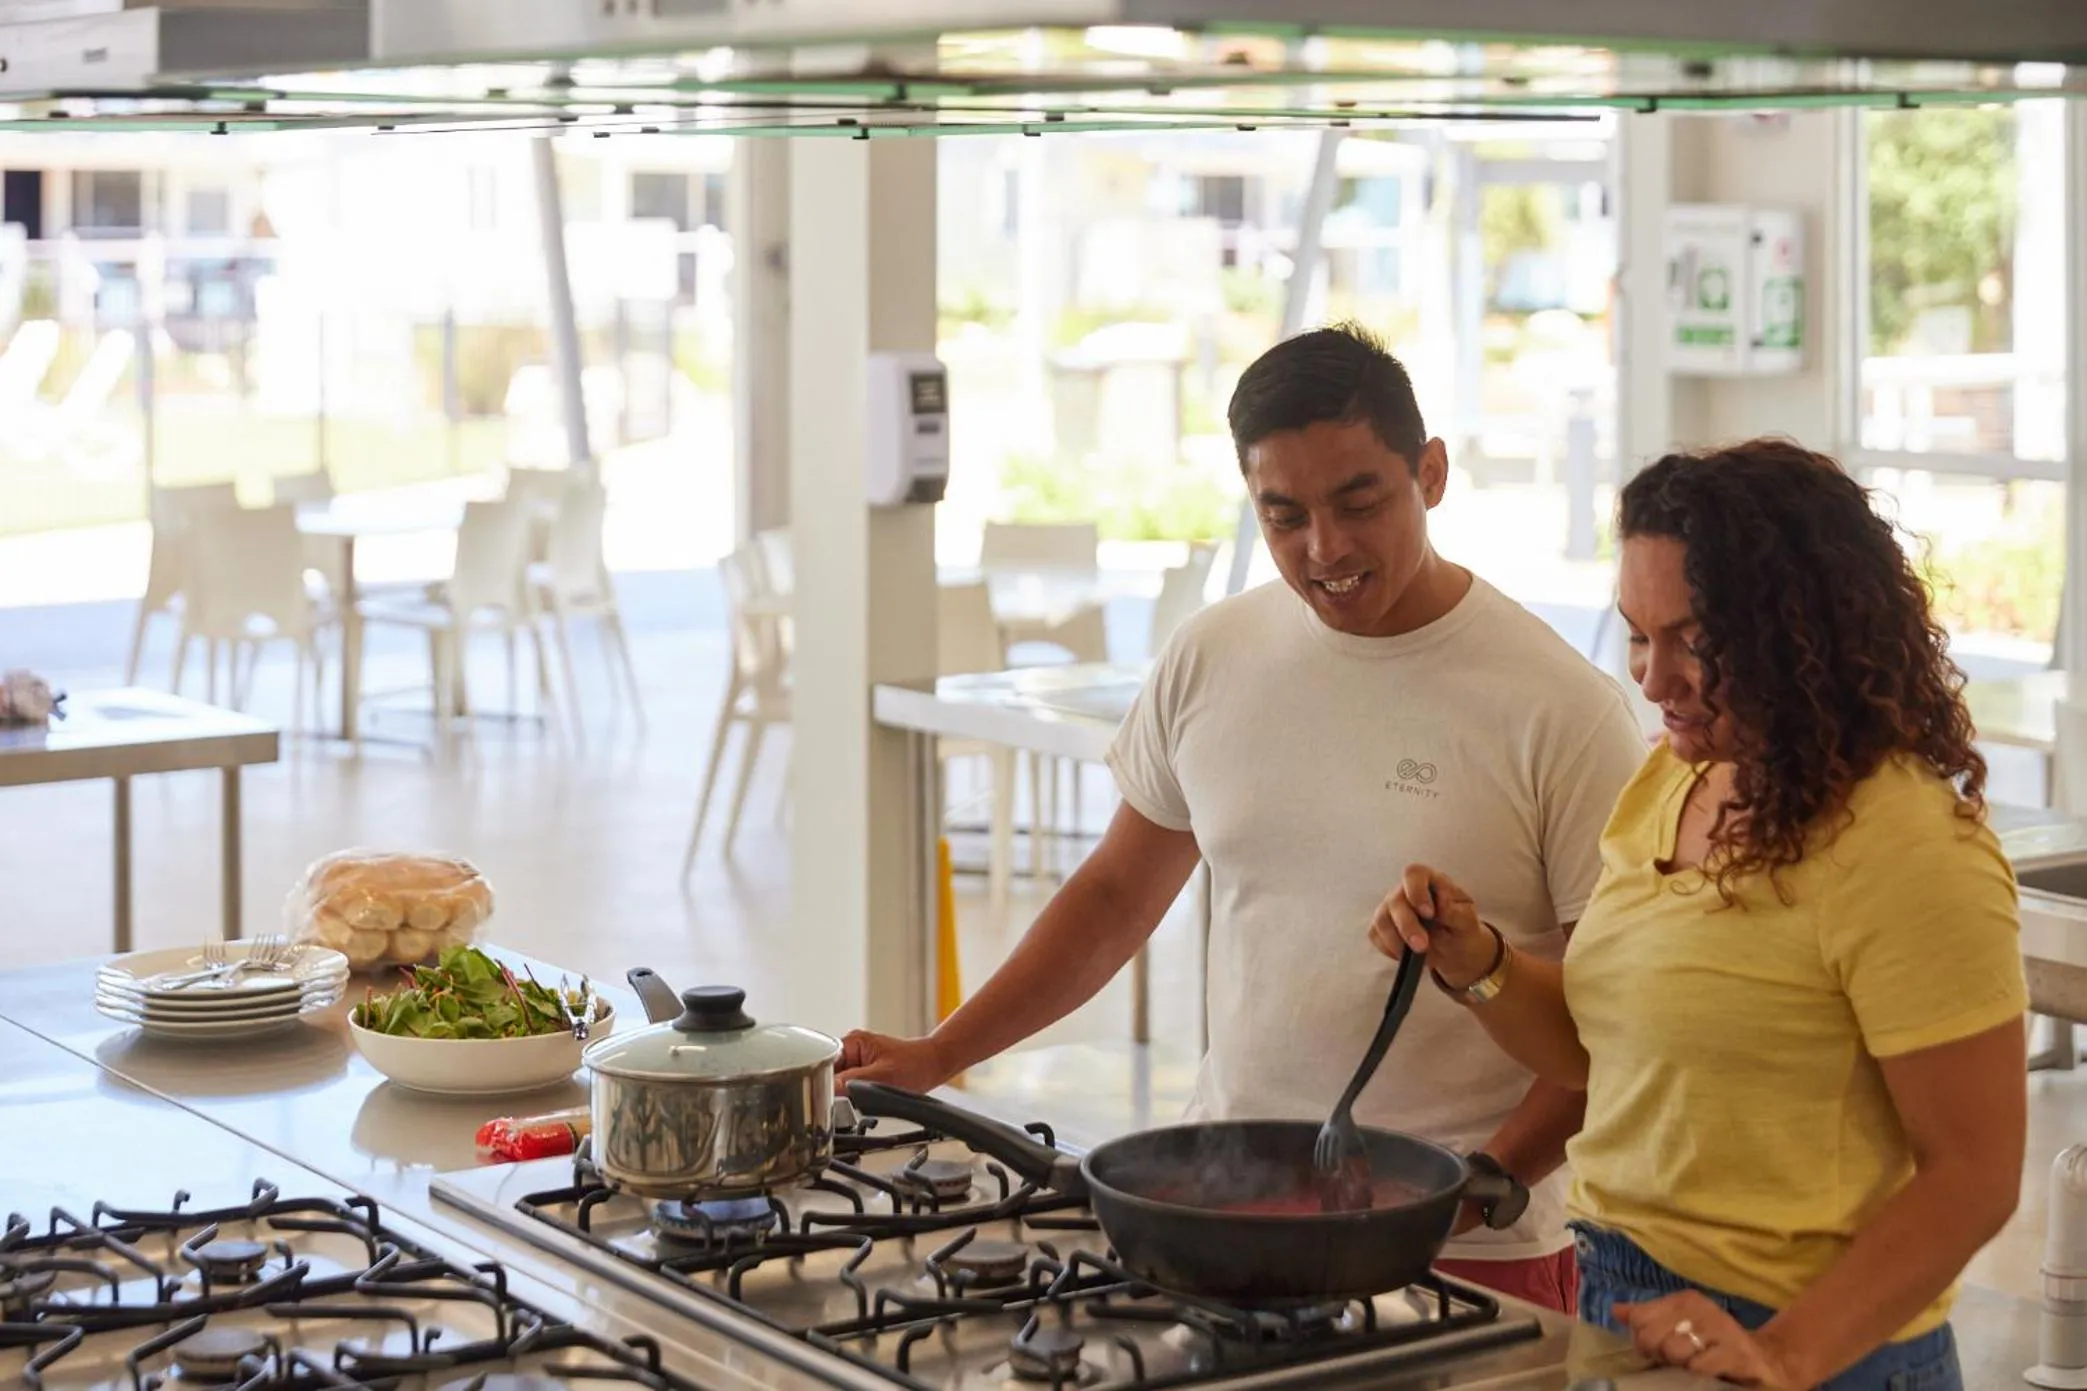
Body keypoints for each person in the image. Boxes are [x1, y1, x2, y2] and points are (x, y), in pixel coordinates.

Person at [840, 323, 1650, 1310]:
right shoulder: (1212, 655)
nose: (1325, 548)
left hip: (1470, 1248)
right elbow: (1111, 898)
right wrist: (942, 1050)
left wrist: (1478, 1187)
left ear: (1429, 473)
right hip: (1228, 1214)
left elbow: (1615, 1017)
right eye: (1284, 514)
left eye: (1359, 501)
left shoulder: (1559, 708)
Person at [1369, 439, 2026, 1389]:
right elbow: (1607, 1055)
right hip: (1624, 1304)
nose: (1650, 677)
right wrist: (1477, 962)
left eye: (1695, 641)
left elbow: (1974, 1174)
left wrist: (1785, 1349)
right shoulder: (1670, 782)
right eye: (1637, 634)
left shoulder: (1905, 847)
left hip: (1819, 1345)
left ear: (1804, 632)